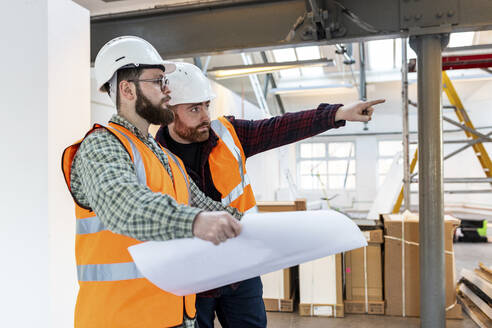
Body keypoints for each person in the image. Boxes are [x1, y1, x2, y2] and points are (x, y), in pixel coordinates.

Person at [155, 62, 385, 328]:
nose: (206, 115)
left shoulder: (229, 134)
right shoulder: (154, 157)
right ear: (169, 113)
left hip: (239, 270)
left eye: (207, 105)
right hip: (192, 274)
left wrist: (338, 113)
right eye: (194, 108)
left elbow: (282, 126)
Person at [61, 36, 243, 328]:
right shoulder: (100, 147)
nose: (167, 90)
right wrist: (196, 222)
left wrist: (261, 230)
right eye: (158, 81)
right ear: (127, 89)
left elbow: (207, 208)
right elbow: (124, 206)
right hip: (118, 320)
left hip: (175, 317)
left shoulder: (167, 159)